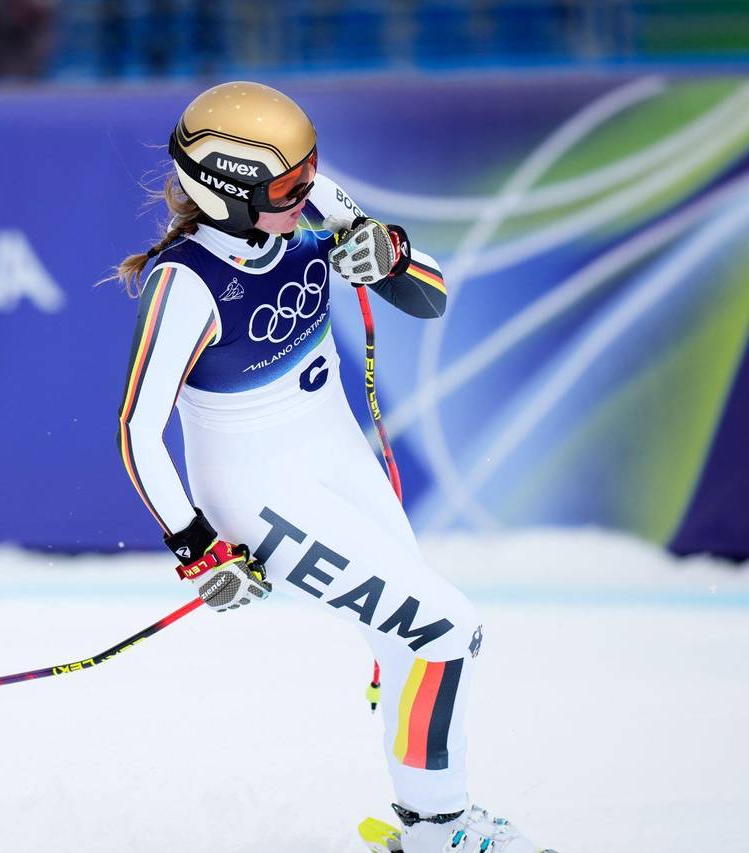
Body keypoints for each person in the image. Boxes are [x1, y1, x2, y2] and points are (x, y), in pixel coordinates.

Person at [112, 81, 550, 853]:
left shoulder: (305, 203)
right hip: (257, 488)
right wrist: (197, 545)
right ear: (228, 197)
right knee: (445, 630)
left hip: (332, 451)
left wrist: (391, 254)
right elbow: (137, 428)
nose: (309, 190)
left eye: (310, 168)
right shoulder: (184, 285)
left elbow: (430, 297)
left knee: (410, 641)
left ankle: (425, 823)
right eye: (287, 185)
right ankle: (439, 830)